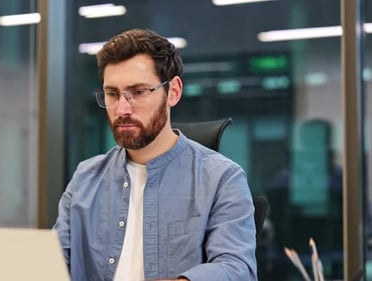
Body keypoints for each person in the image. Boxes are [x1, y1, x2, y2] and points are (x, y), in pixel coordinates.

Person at [53, 28, 257, 281]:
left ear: (173, 91)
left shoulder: (222, 179)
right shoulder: (86, 177)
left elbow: (237, 270)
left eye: (138, 92)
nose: (122, 109)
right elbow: (54, 262)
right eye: (112, 94)